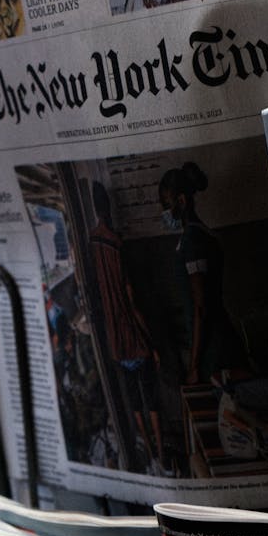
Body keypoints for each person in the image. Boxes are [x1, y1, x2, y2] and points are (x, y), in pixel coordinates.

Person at [88, 181, 169, 475]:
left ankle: (149, 454)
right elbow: (132, 300)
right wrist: (151, 342)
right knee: (152, 402)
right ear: (107, 207)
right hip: (134, 338)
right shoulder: (116, 243)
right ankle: (160, 455)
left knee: (135, 402)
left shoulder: (92, 243)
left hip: (115, 342)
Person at [158, 161, 246, 384]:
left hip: (214, 348)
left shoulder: (192, 242)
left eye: (166, 204)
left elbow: (200, 307)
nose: (165, 212)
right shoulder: (203, 235)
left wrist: (193, 366)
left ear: (181, 201)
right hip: (219, 338)